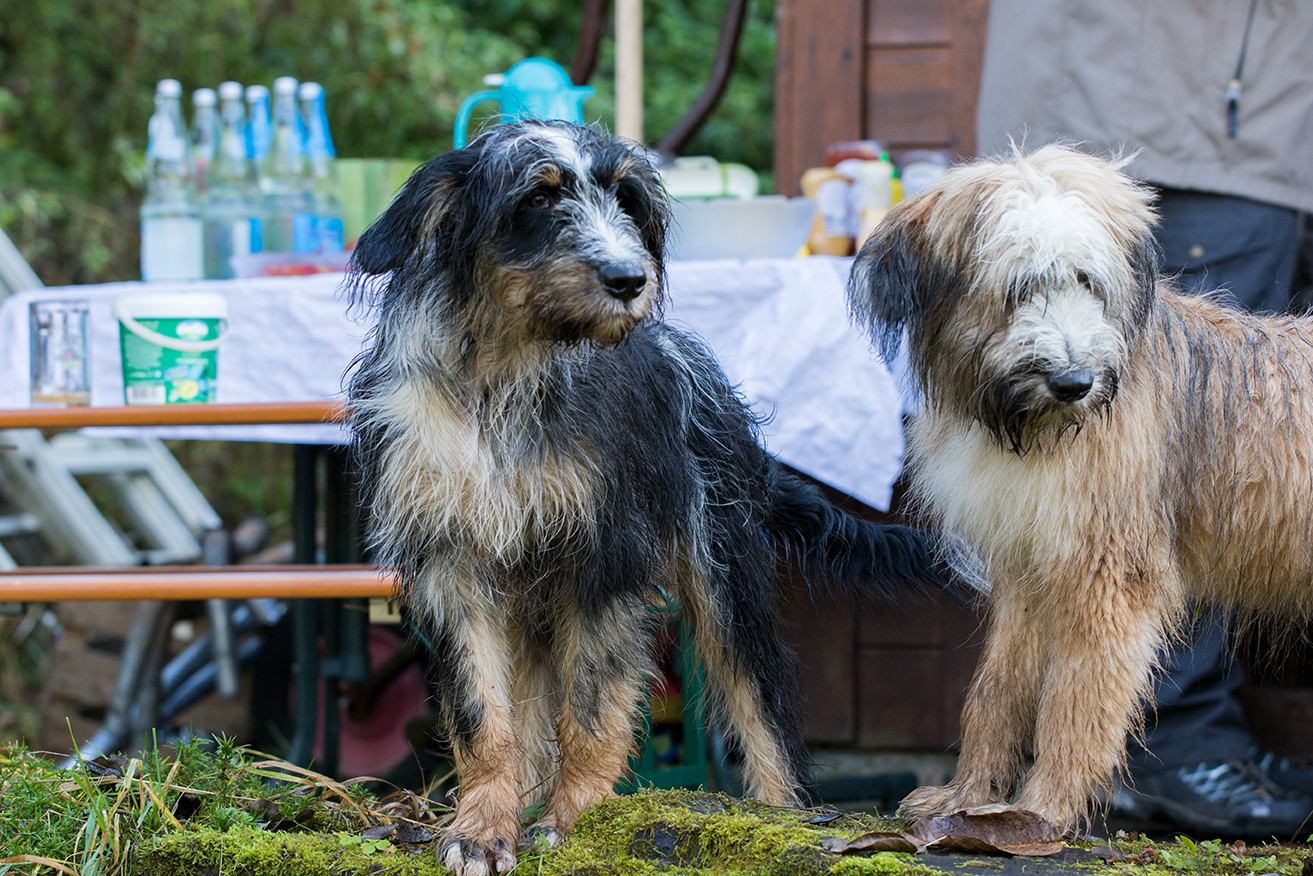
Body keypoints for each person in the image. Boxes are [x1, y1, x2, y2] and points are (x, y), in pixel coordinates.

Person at [975, 0, 1313, 837]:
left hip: (1220, 118)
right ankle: (1164, 752)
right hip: (1183, 118)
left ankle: (1148, 754)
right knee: (1148, 525)